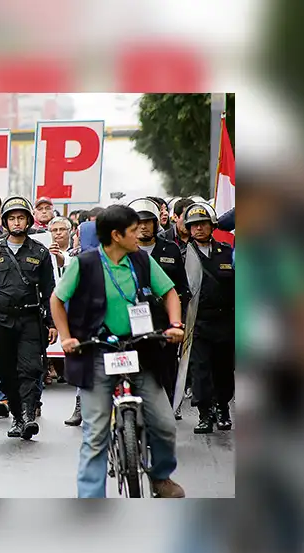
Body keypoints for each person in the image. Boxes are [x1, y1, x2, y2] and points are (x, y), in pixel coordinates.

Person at [49, 205, 186, 498]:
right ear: (116, 235)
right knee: (96, 434)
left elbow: (170, 293)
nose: (140, 234)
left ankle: (161, 477)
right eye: (134, 230)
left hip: (140, 350)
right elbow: (57, 300)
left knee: (164, 425)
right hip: (97, 351)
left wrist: (175, 324)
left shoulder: (142, 260)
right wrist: (66, 337)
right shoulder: (84, 264)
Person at [0, 196, 58, 440]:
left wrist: (52, 323)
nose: (16, 222)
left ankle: (27, 415)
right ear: (5, 222)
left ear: (28, 221)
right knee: (5, 370)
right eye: (12, 218)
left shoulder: (40, 252)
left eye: (21, 218)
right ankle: (16, 414)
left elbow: (50, 290)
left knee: (30, 368)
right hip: (1, 321)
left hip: (30, 319)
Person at [131, 198, 189, 418]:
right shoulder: (123, 251)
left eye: (148, 221)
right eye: (139, 222)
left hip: (164, 321)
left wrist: (179, 321)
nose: (143, 226)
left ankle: (166, 409)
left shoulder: (170, 249)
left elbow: (181, 288)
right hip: (131, 321)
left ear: (156, 223)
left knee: (165, 368)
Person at [182, 202, 235, 434]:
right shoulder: (184, 256)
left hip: (226, 321)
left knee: (224, 368)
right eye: (194, 225)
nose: (199, 228)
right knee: (200, 370)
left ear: (212, 226)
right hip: (197, 323)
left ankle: (222, 408)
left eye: (203, 224)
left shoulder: (227, 252)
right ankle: (204, 413)